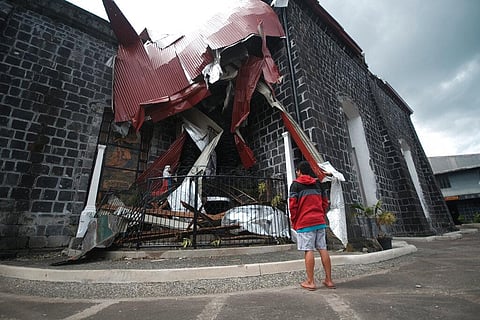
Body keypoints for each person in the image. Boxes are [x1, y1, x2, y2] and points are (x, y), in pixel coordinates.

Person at [289, 160, 336, 290]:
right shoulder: (318, 184)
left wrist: (294, 221)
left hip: (305, 222)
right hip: (319, 221)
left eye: (297, 171)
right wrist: (321, 213)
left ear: (299, 171)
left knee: (308, 250)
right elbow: (325, 202)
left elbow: (293, 206)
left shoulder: (295, 185)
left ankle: (310, 281)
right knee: (322, 248)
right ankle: (329, 280)